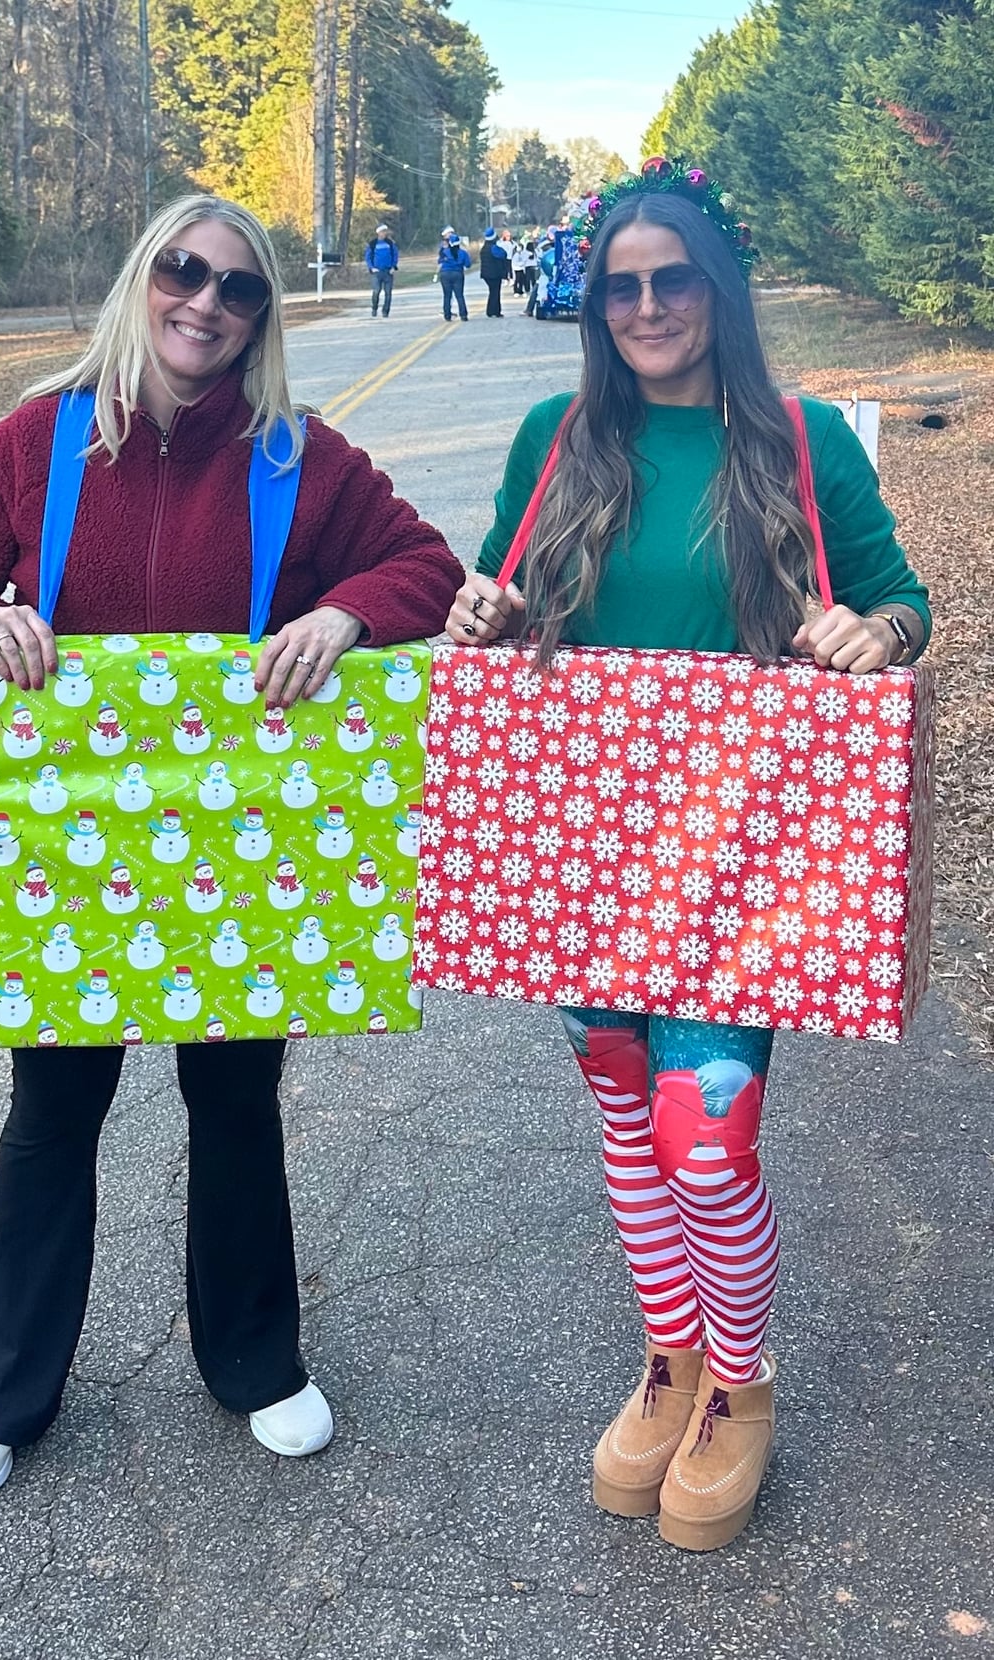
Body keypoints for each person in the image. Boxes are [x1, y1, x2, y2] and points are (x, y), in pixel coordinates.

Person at [0, 192, 464, 1506]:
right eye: (183, 272)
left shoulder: (297, 458)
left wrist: (349, 617)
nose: (205, 302)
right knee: (52, 1110)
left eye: (239, 287)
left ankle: (254, 1362)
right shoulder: (42, 439)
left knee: (236, 1103)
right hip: (68, 850)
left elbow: (422, 564)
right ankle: (1, 1392)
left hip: (238, 847)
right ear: (143, 279)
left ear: (260, 319)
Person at [444, 159, 930, 1551]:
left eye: (673, 281)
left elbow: (902, 599)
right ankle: (672, 1357)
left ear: (719, 289)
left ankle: (742, 1381)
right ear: (594, 303)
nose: (647, 307)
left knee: (703, 1145)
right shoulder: (556, 436)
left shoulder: (800, 439)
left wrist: (877, 633)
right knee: (625, 1122)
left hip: (737, 855)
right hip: (586, 848)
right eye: (621, 287)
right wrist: (483, 613)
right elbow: (502, 589)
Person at [365, 224, 399, 317]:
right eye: (382, 231)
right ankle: (374, 308)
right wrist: (371, 267)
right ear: (378, 233)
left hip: (388, 271)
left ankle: (385, 311)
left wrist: (393, 266)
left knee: (388, 293)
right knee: (376, 291)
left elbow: (395, 255)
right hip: (377, 272)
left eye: (385, 231)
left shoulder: (390, 243)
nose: (384, 233)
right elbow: (368, 257)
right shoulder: (373, 244)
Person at [437, 233, 471, 321]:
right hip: (457, 274)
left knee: (447, 296)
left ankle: (447, 315)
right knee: (459, 295)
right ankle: (463, 315)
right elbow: (468, 265)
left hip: (445, 274)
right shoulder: (463, 253)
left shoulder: (444, 252)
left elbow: (439, 262)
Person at [479, 228, 510, 318]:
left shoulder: (484, 248)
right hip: (494, 274)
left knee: (492, 291)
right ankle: (495, 311)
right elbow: (503, 254)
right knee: (495, 292)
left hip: (486, 274)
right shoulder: (493, 248)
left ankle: (491, 310)